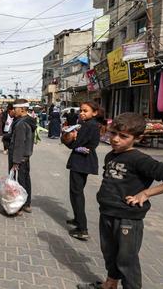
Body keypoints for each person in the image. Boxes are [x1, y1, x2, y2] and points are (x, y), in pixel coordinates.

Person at [77, 113, 163, 289]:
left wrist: (146, 194)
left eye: (123, 136)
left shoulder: (140, 159)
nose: (115, 139)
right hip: (107, 213)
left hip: (127, 219)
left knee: (126, 261)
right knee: (110, 254)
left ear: (138, 138)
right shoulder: (111, 156)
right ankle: (110, 284)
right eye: (113, 133)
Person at [62, 101, 104, 241]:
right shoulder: (89, 125)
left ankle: (82, 228)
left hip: (81, 162)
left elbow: (74, 144)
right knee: (76, 192)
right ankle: (77, 220)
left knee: (76, 194)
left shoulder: (89, 125)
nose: (82, 113)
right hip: (82, 161)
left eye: (85, 111)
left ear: (95, 112)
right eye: (81, 110)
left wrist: (70, 138)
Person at [8, 99, 36, 215]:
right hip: (25, 156)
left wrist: (15, 162)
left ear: (22, 109)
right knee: (25, 180)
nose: (14, 111)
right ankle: (26, 204)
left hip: (18, 157)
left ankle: (17, 206)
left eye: (15, 109)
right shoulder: (29, 121)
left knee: (18, 182)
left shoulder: (21, 124)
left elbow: (19, 143)